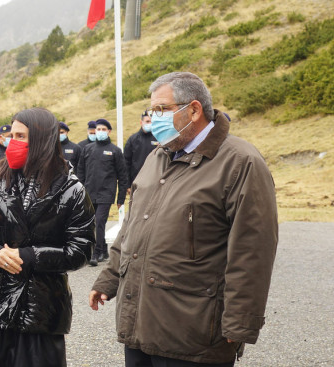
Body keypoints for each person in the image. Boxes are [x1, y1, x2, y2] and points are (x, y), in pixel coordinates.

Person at [90, 72, 278, 366]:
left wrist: (241, 320)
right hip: (141, 323)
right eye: (152, 110)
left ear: (193, 110)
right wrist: (110, 277)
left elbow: (253, 249)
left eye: (162, 109)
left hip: (194, 333)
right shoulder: (159, 156)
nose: (154, 118)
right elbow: (132, 226)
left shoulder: (241, 162)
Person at [0, 108, 95, 367]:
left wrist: (31, 256)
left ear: (42, 140)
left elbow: (82, 249)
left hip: (40, 311)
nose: (11, 141)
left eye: (20, 136)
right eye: (11, 134)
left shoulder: (72, 191)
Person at [76, 118, 129, 267]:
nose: (99, 132)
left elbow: (122, 176)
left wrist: (121, 198)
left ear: (109, 131)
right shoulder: (87, 149)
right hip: (89, 192)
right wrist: (80, 191)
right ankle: (103, 249)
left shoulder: (115, 151)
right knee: (91, 223)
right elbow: (81, 171)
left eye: (103, 129)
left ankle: (96, 252)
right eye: (98, 129)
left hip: (106, 193)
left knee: (100, 221)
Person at [123, 111, 159, 188]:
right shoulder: (133, 140)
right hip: (137, 182)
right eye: (147, 121)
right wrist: (128, 185)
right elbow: (126, 163)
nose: (149, 123)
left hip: (155, 181)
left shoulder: (159, 138)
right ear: (141, 122)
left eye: (151, 121)